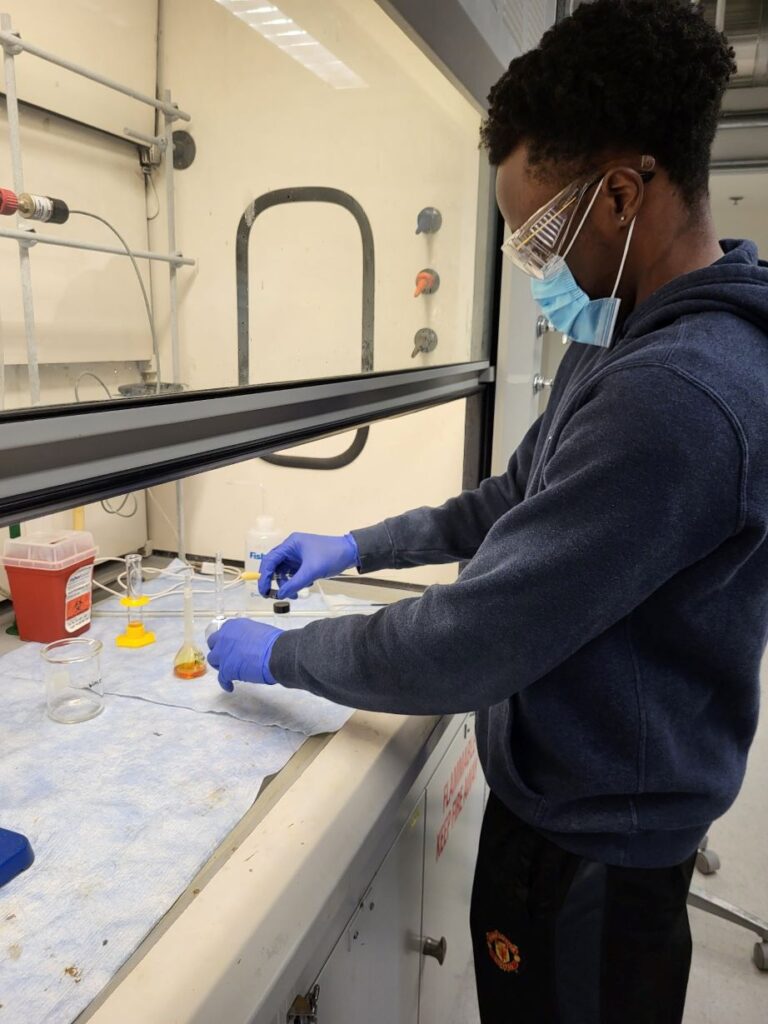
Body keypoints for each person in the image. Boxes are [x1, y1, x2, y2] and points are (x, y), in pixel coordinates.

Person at [208, 1, 768, 1020]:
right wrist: (358, 543)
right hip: (565, 801)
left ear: (623, 195)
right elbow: (517, 496)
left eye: (537, 233)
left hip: (598, 853)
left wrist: (282, 656)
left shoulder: (681, 396)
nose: (540, 266)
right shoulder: (624, 334)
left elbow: (472, 643)